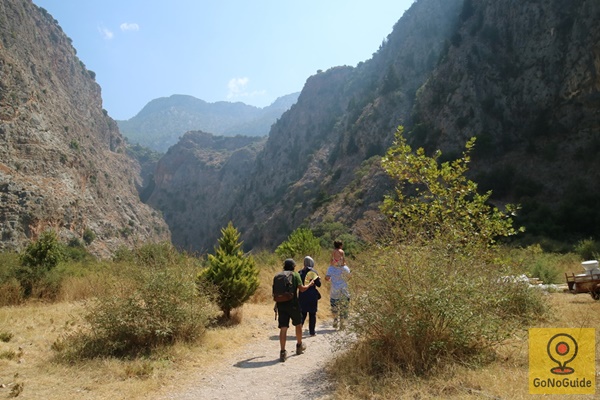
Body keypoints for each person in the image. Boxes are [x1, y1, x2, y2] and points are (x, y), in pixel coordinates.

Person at [275, 258, 315, 362]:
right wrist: (310, 285)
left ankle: (282, 352)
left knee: (283, 328)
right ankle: (299, 346)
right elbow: (301, 289)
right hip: (293, 304)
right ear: (293, 266)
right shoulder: (295, 275)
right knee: (298, 324)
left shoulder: (277, 276)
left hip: (281, 305)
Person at [326, 240, 350, 329]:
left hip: (334, 290)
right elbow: (349, 276)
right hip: (344, 289)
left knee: (334, 306)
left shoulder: (331, 268)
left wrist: (331, 278)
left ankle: (335, 319)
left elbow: (327, 278)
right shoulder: (345, 268)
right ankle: (343, 323)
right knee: (344, 306)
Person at [298, 256, 322, 336]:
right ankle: (312, 332)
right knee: (312, 314)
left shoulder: (299, 272)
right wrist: (319, 279)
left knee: (302, 314)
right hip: (312, 296)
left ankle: (298, 331)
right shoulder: (313, 272)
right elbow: (319, 284)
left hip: (302, 296)